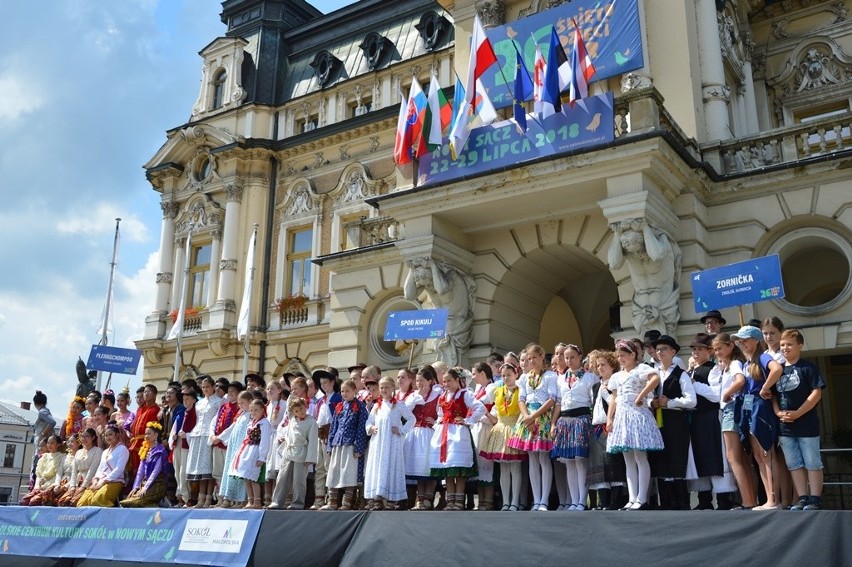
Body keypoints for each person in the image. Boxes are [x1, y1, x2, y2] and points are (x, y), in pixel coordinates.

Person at [605, 339, 664, 510]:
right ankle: (632, 498)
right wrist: (610, 418)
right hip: (622, 416)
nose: (620, 359)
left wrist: (641, 395)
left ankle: (642, 498)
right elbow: (614, 398)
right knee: (628, 458)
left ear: (633, 354)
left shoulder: (641, 369)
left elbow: (655, 378)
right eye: (619, 356)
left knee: (640, 456)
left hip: (637, 414)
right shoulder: (617, 376)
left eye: (623, 355)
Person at [730, 325, 783, 510]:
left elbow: (776, 369)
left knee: (766, 453)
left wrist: (765, 387)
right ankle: (769, 498)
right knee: (759, 457)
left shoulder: (762, 357)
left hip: (761, 407)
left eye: (745, 340)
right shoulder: (746, 363)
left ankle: (773, 499)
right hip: (749, 406)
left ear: (755, 340)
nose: (742, 343)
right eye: (740, 340)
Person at [775, 329, 826, 511]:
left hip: (807, 424)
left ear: (800, 346)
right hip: (785, 427)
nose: (785, 348)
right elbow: (771, 395)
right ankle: (802, 498)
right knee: (794, 464)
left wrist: (798, 413)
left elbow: (816, 393)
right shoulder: (778, 369)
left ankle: (815, 499)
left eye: (789, 344)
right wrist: (778, 412)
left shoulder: (808, 367)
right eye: (782, 344)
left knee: (812, 462)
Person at [507, 344, 558, 512]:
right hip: (528, 416)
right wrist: (527, 417)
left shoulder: (550, 376)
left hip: (542, 416)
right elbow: (521, 398)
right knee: (532, 460)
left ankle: (544, 500)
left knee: (543, 459)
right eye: (529, 358)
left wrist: (534, 416)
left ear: (541, 357)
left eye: (534, 357)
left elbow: (552, 399)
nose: (531, 361)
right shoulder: (524, 378)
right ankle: (536, 500)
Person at [649, 334, 697, 510]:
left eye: (664, 349)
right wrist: (651, 403)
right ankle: (666, 501)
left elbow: (691, 400)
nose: (660, 352)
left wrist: (670, 402)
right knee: (661, 456)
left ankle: (681, 501)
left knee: (676, 456)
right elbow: (647, 396)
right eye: (658, 349)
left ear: (673, 352)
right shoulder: (653, 373)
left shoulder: (680, 374)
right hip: (657, 419)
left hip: (675, 419)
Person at [686, 333, 733, 510]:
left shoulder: (712, 369)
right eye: (694, 349)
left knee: (714, 455)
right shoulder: (691, 371)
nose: (696, 352)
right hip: (695, 418)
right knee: (699, 457)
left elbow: (715, 395)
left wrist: (694, 384)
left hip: (710, 416)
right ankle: (704, 499)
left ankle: (723, 499)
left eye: (700, 349)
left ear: (708, 351)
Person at [428, 368, 485, 511]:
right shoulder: (442, 396)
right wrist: (438, 424)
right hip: (444, 434)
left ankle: (459, 501)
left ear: (457, 380)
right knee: (447, 469)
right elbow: (440, 414)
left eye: (449, 381)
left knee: (459, 471)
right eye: (444, 381)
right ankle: (450, 501)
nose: (446, 384)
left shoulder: (465, 394)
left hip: (459, 435)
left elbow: (480, 408)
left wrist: (468, 420)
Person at [551, 344, 598, 511]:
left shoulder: (590, 378)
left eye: (572, 357)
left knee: (580, 461)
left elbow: (594, 401)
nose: (569, 360)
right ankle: (573, 500)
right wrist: (554, 423)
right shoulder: (560, 379)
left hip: (582, 419)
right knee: (569, 462)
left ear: (580, 357)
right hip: (565, 420)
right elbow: (558, 403)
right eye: (566, 357)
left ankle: (582, 501)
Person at [715, 332, 757, 509]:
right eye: (715, 349)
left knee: (733, 457)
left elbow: (740, 380)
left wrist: (727, 393)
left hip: (731, 409)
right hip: (732, 409)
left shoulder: (734, 363)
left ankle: (747, 501)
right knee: (742, 459)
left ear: (730, 346)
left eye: (720, 348)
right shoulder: (726, 365)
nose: (717, 352)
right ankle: (750, 499)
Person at [480, 362, 527, 511]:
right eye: (503, 375)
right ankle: (506, 501)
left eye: (509, 374)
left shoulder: (521, 390)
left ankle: (515, 501)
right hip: (500, 430)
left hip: (515, 429)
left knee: (515, 467)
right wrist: (485, 413)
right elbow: (484, 405)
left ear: (516, 375)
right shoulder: (497, 391)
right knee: (504, 469)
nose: (506, 378)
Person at [364, 376, 415, 510]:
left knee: (391, 467)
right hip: (378, 444)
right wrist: (371, 428)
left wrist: (401, 430)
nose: (384, 390)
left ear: (393, 388)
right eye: (381, 388)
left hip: (392, 443)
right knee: (379, 468)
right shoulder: (376, 406)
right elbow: (369, 421)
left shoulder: (398, 405)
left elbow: (411, 419)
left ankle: (392, 499)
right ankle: (378, 498)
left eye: (387, 387)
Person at [762, 316, 795, 509]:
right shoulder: (764, 354)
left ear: (780, 332)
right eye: (765, 333)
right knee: (774, 455)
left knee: (788, 455)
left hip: (785, 404)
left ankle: (797, 498)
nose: (768, 337)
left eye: (772, 333)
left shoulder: (784, 354)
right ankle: (781, 499)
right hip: (767, 407)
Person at [588, 351, 627, 510]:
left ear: (612, 366)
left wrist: (605, 392)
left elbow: (617, 402)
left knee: (613, 464)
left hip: (611, 426)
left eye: (603, 364)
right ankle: (603, 502)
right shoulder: (596, 385)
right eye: (598, 365)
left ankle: (614, 502)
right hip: (597, 428)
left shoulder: (615, 382)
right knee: (598, 465)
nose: (600, 367)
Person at [322, 380, 368, 510]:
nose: (345, 393)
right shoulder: (339, 406)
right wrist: (330, 445)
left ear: (355, 391)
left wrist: (359, 447)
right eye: (343, 391)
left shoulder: (360, 407)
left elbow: (361, 427)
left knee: (349, 473)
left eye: (348, 390)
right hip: (338, 443)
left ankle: (346, 503)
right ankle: (332, 502)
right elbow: (334, 427)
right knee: (334, 471)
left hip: (351, 444)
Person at [267, 397, 318, 510]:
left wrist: (310, 458)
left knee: (299, 480)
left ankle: (297, 503)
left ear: (305, 407)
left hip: (301, 452)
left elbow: (313, 441)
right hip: (289, 451)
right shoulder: (292, 419)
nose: (300, 412)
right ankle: (277, 502)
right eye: (296, 411)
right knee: (282, 477)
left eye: (301, 408)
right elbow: (289, 403)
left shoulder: (312, 422)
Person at [405, 365, 442, 510]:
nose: (419, 384)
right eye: (417, 380)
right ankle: (420, 499)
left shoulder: (438, 394)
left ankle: (428, 497)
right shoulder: (413, 395)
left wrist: (436, 422)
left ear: (430, 381)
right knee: (418, 469)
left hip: (430, 434)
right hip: (416, 434)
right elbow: (404, 412)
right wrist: (415, 400)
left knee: (429, 468)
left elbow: (442, 413)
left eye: (422, 381)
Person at [185, 376, 223, 508]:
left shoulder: (219, 402)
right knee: (200, 469)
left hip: (209, 435)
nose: (205, 389)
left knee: (209, 468)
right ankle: (200, 499)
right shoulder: (199, 403)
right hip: (198, 434)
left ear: (213, 387)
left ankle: (208, 499)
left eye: (207, 387)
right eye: (203, 387)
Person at [229, 399, 272, 509]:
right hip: (247, 451)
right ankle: (250, 500)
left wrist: (262, 456)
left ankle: (257, 501)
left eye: (256, 410)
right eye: (251, 410)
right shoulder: (251, 423)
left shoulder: (264, 423)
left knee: (253, 477)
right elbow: (246, 438)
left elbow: (265, 440)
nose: (253, 412)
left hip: (255, 452)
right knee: (246, 477)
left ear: (262, 410)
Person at [214, 390, 253, 508]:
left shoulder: (251, 415)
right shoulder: (240, 414)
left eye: (243, 403)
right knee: (231, 470)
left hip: (242, 446)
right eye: (239, 403)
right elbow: (232, 428)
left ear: (250, 402)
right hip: (234, 446)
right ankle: (230, 497)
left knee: (240, 471)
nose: (240, 405)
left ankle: (241, 499)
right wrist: (220, 438)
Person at [77, 425, 130, 507]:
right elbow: (100, 468)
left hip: (115, 481)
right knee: (82, 502)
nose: (108, 437)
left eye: (110, 434)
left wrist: (104, 481)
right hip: (100, 481)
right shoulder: (105, 451)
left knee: (97, 500)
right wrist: (95, 480)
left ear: (117, 435)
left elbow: (119, 469)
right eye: (106, 435)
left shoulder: (123, 449)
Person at [469, 362, 497, 510]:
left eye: (474, 373)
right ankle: (480, 500)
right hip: (477, 427)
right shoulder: (478, 388)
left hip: (487, 427)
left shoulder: (492, 387)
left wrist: (482, 416)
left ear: (482, 373)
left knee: (487, 464)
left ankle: (489, 500)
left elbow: (490, 406)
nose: (473, 377)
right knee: (478, 464)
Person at [119, 423, 167, 508]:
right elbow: (140, 471)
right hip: (145, 483)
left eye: (149, 433)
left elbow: (156, 471)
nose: (146, 436)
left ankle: (156, 503)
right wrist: (136, 487)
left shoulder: (160, 450)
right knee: (128, 500)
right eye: (145, 434)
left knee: (137, 502)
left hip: (157, 483)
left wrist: (146, 487)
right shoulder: (146, 450)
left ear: (156, 435)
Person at [313, 369, 341, 509]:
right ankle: (318, 498)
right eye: (321, 383)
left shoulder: (337, 399)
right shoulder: (320, 401)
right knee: (319, 468)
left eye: (326, 382)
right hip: (320, 435)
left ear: (332, 382)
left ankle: (331, 499)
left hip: (331, 436)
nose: (323, 385)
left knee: (330, 467)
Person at [58, 428, 102, 507]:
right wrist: (72, 486)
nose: (84, 439)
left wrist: (83, 487)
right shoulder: (79, 452)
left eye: (87, 436)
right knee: (62, 502)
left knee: (74, 502)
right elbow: (74, 471)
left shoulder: (98, 451)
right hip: (77, 482)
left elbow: (92, 470)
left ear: (93, 438)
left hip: (89, 482)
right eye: (82, 436)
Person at [21, 435, 66, 506]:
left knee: (34, 502)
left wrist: (47, 486)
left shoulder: (62, 457)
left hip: (51, 486)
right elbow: (39, 474)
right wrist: (37, 486)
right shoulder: (44, 456)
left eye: (52, 443)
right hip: (40, 486)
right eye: (48, 443)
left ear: (58, 445)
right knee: (24, 501)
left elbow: (58, 474)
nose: (49, 445)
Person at [128, 385, 160, 475]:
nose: (146, 394)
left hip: (145, 443)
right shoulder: (140, 408)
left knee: (142, 469)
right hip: (135, 442)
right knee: (133, 469)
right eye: (145, 391)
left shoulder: (156, 409)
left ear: (154, 395)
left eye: (149, 391)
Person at [265, 379, 286, 505]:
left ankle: (276, 497)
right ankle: (267, 497)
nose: (269, 391)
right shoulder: (267, 406)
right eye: (268, 389)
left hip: (278, 437)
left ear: (279, 390)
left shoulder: (283, 404)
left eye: (272, 388)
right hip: (268, 438)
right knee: (268, 468)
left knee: (277, 467)